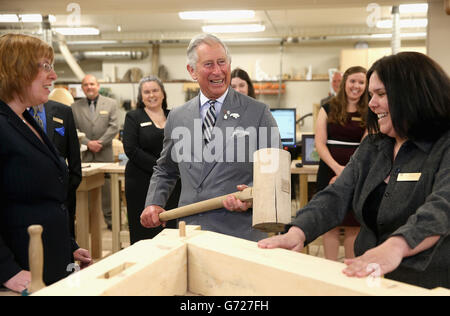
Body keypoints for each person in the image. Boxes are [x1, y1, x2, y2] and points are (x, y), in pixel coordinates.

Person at [258, 52, 450, 289]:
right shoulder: (373, 146)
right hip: (368, 280)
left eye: (380, 94)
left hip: (426, 283)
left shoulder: (444, 146)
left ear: (413, 96)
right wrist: (298, 231)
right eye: (371, 95)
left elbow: (442, 207)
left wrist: (397, 245)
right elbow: (337, 194)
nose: (371, 104)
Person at [140, 33, 280, 241]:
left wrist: (254, 196)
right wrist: (153, 201)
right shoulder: (177, 117)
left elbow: (274, 174)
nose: (217, 71)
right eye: (208, 64)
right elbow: (166, 169)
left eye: (222, 62)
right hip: (190, 231)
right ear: (192, 71)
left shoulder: (258, 113)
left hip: (239, 231)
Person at [0, 33, 91, 293]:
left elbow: (44, 198)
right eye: (46, 66)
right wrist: (7, 270)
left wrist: (68, 246)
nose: (53, 76)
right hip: (22, 271)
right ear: (18, 69)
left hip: (49, 262)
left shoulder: (25, 119)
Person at [315, 66, 368, 261]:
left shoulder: (371, 110)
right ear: (345, 82)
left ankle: (349, 272)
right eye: (353, 81)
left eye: (361, 82)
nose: (356, 86)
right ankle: (330, 272)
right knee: (331, 223)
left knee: (353, 224)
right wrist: (337, 169)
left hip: (357, 171)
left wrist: (348, 173)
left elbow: (366, 147)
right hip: (329, 169)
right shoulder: (328, 107)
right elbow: (320, 143)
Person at [123, 76, 181, 244]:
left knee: (170, 227)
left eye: (155, 90)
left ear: (163, 93)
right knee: (145, 229)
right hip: (141, 182)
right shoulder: (133, 117)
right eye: (146, 92)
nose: (151, 95)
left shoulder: (174, 116)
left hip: (172, 183)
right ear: (141, 97)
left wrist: (171, 170)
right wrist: (161, 167)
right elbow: (131, 149)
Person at [71, 74, 119, 229]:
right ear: (82, 88)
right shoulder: (74, 107)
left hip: (104, 154)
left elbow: (114, 126)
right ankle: (87, 225)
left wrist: (100, 142)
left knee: (107, 191)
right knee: (85, 191)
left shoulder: (110, 104)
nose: (89, 87)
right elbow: (73, 129)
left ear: (98, 86)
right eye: (85, 85)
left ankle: (111, 222)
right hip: (85, 155)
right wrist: (87, 143)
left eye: (92, 84)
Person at [29, 100, 82, 239]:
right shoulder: (13, 112)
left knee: (65, 241)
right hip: (28, 195)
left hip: (62, 195)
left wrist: (69, 187)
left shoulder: (63, 111)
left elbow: (74, 153)